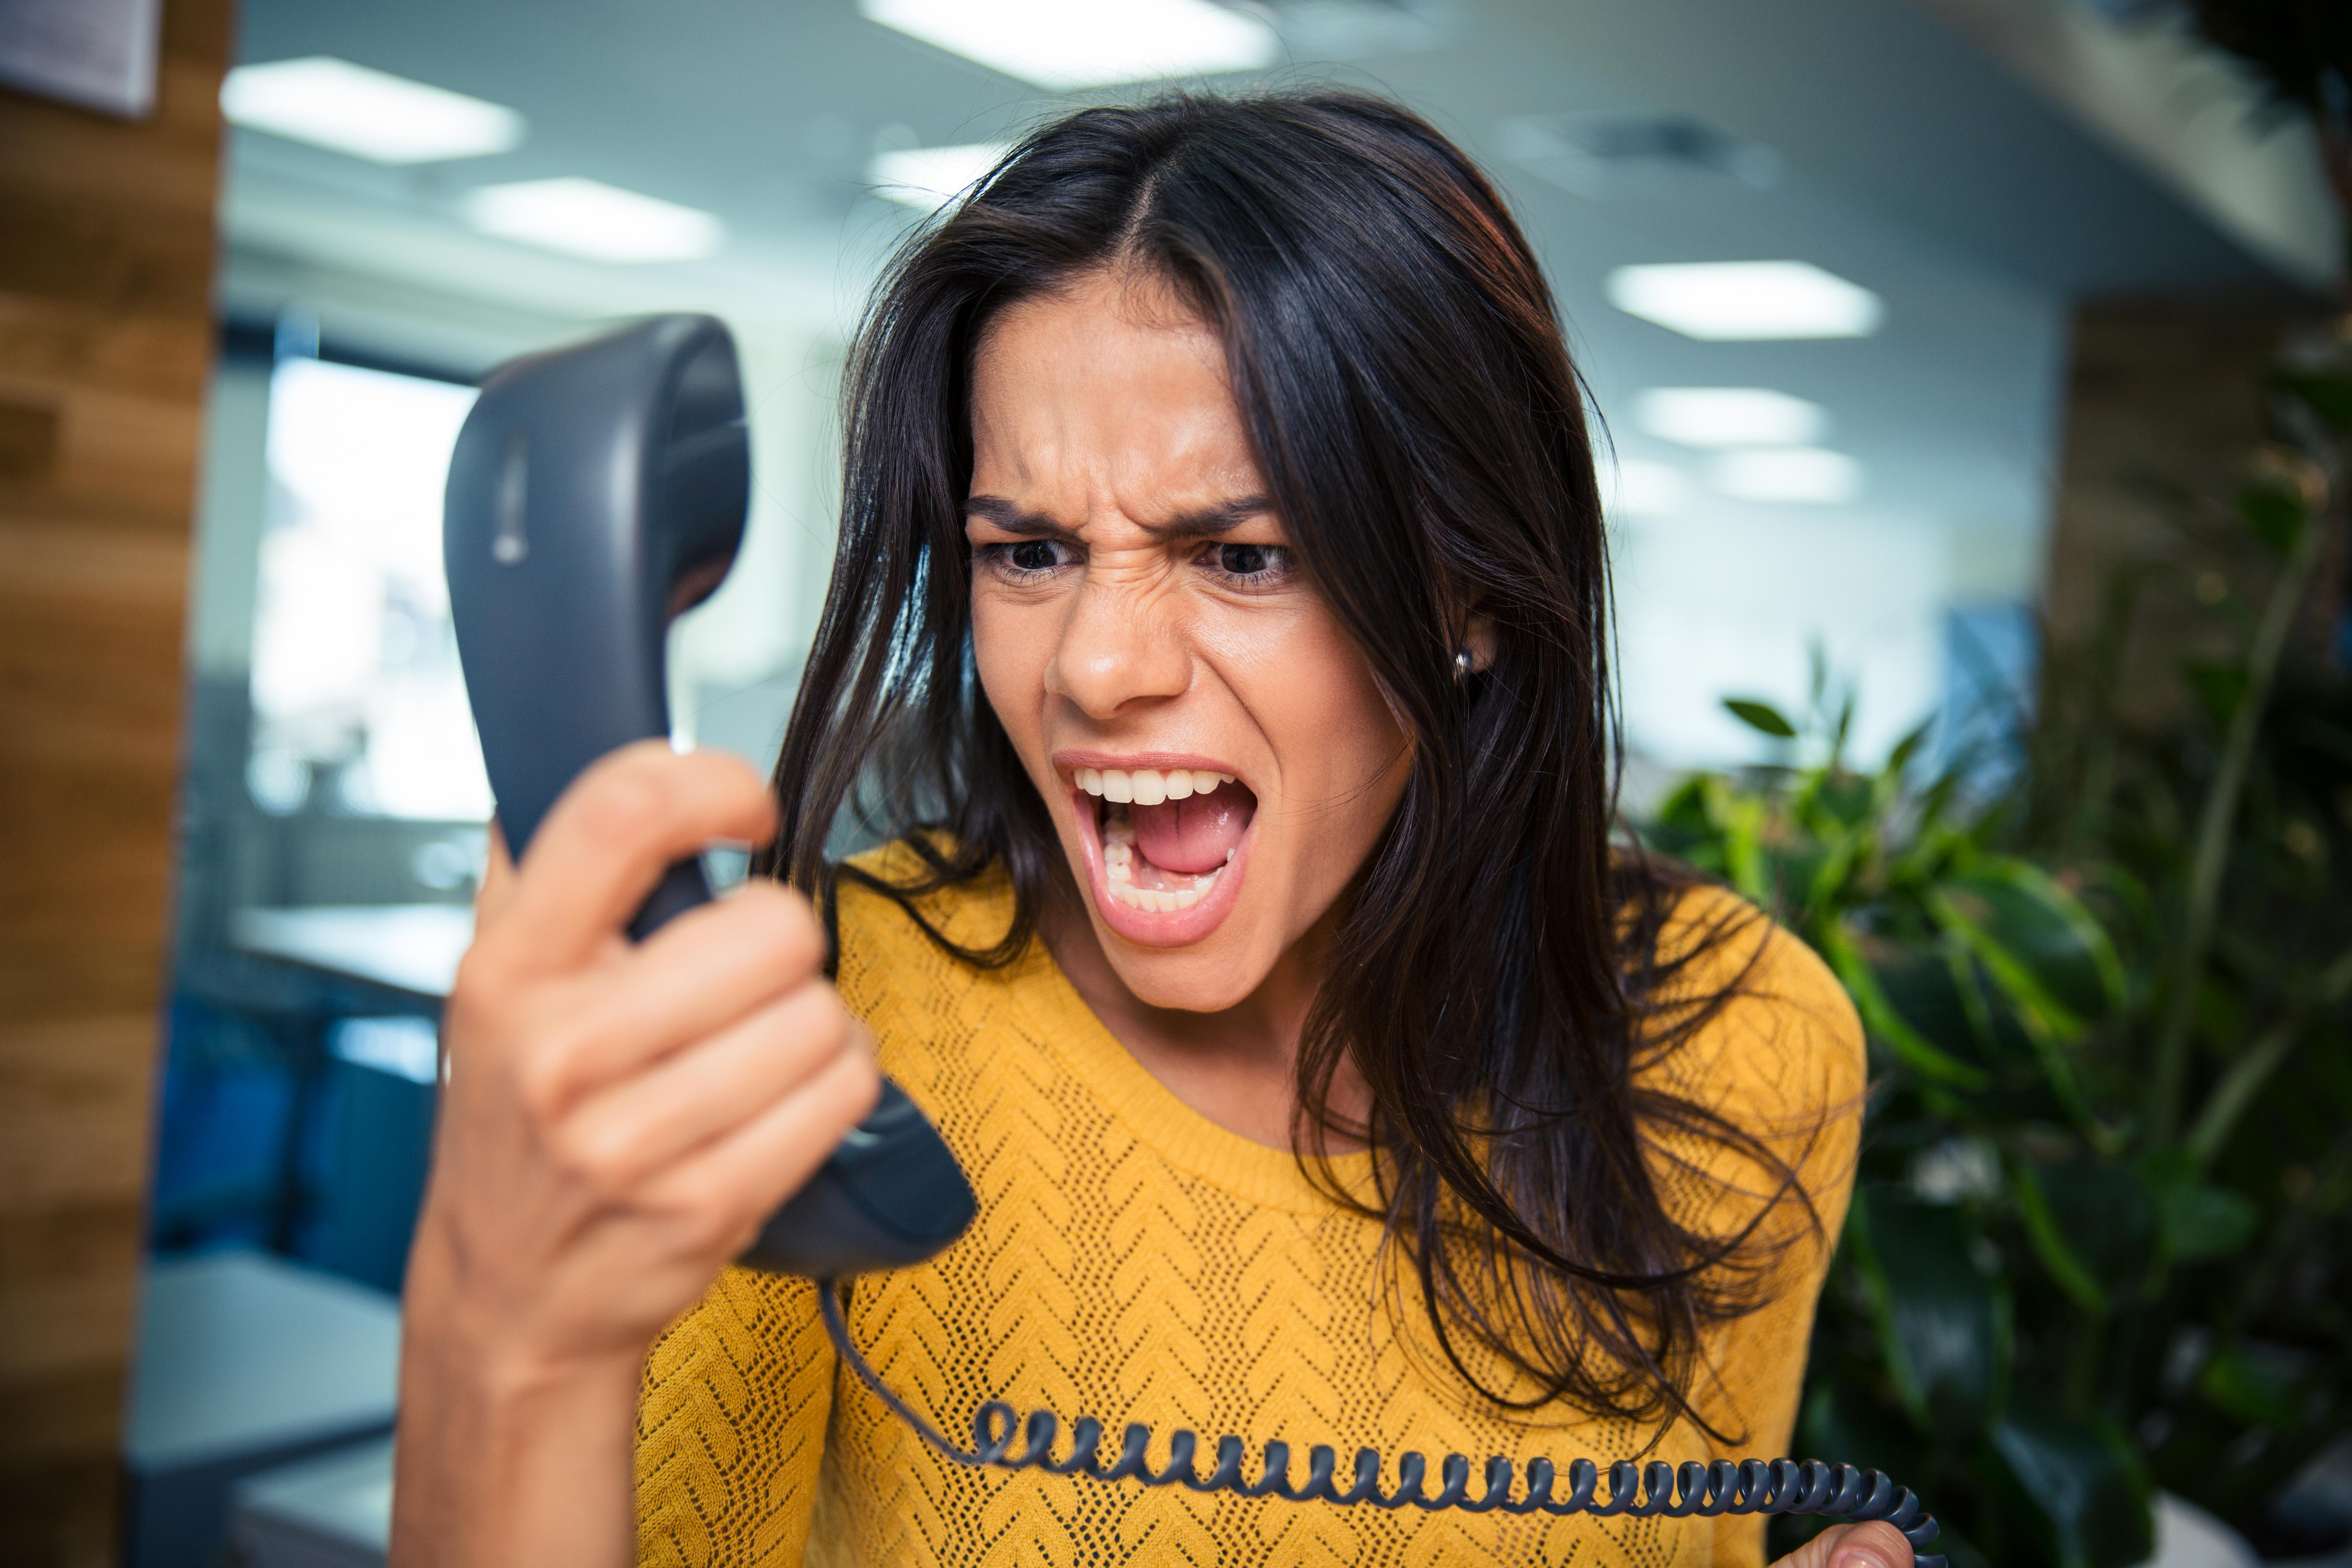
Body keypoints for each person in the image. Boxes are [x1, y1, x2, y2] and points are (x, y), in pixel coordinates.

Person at [390, 91, 1901, 1568]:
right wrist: (504, 1334)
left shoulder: (1746, 1045)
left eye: (1244, 556)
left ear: (1474, 597)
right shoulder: (813, 1042)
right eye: (1029, 551)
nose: (1097, 670)